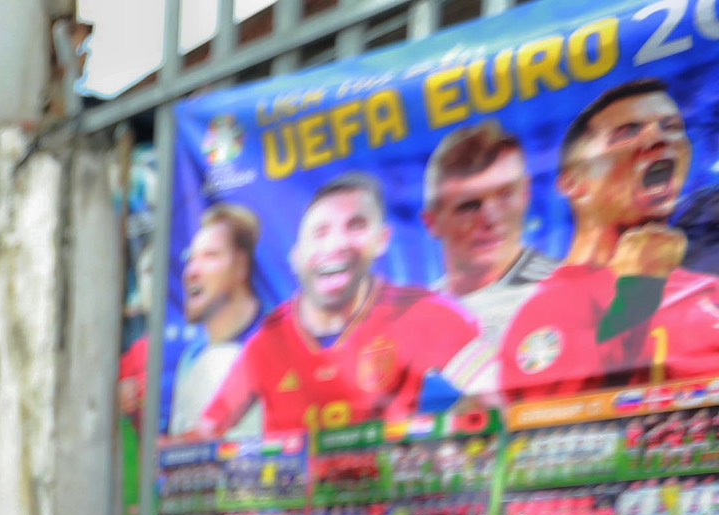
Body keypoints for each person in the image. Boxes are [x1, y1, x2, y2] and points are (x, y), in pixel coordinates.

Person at [196, 174, 477, 436]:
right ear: (297, 256)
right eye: (320, 232)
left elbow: (504, 390)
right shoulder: (267, 341)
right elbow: (205, 433)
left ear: (381, 241)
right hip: (300, 488)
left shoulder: (424, 312)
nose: (336, 244)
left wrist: (439, 442)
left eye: (355, 226)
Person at [504, 80, 719, 401]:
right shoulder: (546, 307)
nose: (659, 138)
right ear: (574, 182)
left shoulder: (707, 289)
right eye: (627, 132)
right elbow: (554, 417)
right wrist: (638, 291)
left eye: (671, 126)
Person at [421, 121, 561, 394]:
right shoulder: (416, 318)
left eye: (505, 195)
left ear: (526, 195)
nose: (491, 218)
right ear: (432, 223)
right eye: (469, 206)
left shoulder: (572, 293)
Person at [119, 205, 264, 436]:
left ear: (241, 266)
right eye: (191, 259)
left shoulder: (270, 344)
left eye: (210, 256)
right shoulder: (192, 356)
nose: (191, 271)